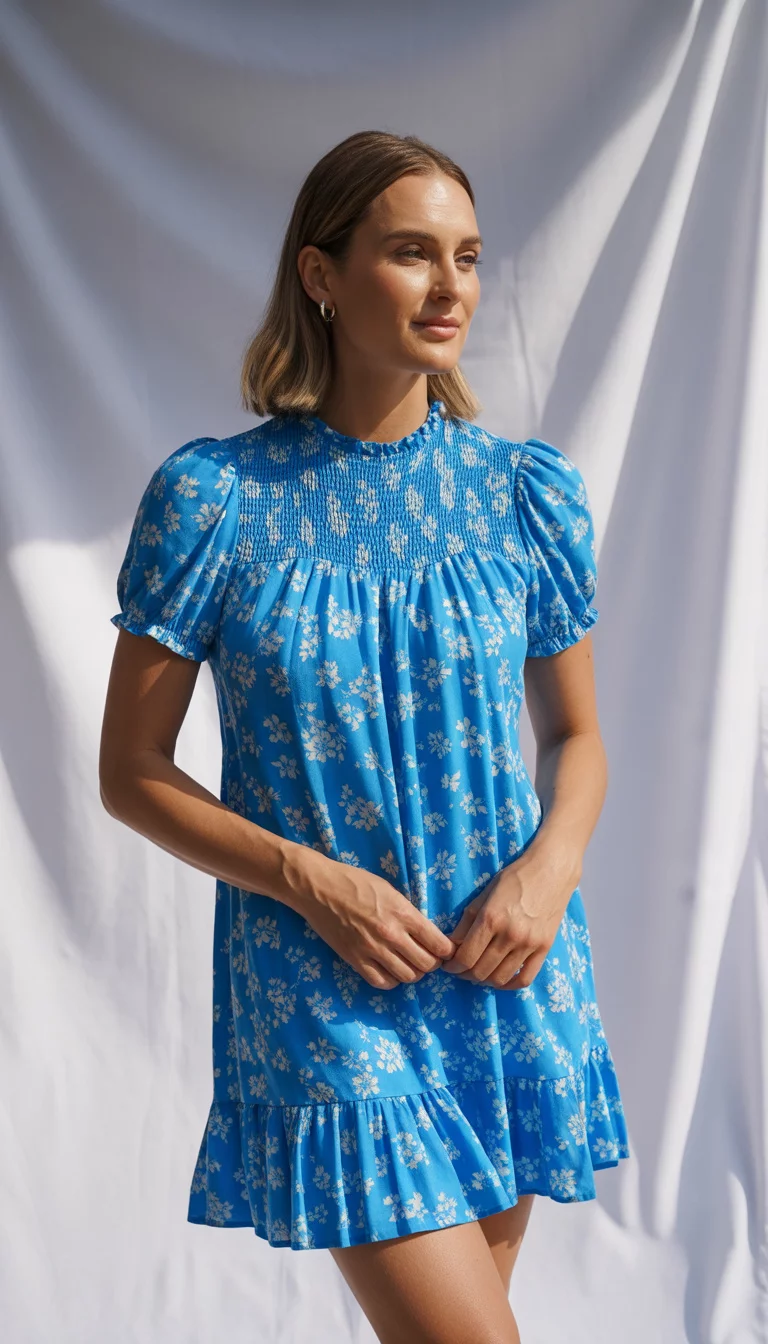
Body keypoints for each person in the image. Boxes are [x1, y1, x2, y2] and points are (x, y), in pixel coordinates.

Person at [100, 128, 630, 1344]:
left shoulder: (523, 495)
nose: (451, 287)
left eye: (469, 256)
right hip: (319, 988)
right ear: (321, 276)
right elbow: (129, 774)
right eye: (410, 252)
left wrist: (549, 874)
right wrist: (305, 877)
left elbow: (582, 738)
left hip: (506, 971)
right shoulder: (215, 499)